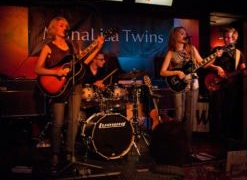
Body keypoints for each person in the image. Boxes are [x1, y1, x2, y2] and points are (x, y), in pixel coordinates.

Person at [34, 16, 105, 170]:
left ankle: (69, 152)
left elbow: (84, 62)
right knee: (58, 122)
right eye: (61, 25)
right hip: (58, 87)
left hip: (75, 85)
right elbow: (38, 69)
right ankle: (55, 154)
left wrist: (97, 47)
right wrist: (56, 73)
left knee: (73, 120)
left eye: (66, 25)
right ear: (54, 28)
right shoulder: (48, 47)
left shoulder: (72, 45)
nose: (65, 27)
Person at [160, 26, 210, 146]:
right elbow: (162, 71)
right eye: (181, 33)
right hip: (178, 86)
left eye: (185, 33)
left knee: (190, 116)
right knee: (179, 115)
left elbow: (203, 63)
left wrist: (215, 60)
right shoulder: (171, 53)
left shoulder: (192, 49)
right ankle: (175, 142)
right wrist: (177, 72)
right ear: (175, 36)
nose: (184, 35)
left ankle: (187, 144)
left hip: (193, 85)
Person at [206, 27, 247, 139]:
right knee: (215, 110)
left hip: (231, 86)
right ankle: (215, 136)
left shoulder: (239, 53)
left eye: (229, 37)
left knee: (229, 111)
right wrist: (217, 67)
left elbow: (244, 71)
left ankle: (226, 137)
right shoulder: (217, 49)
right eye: (225, 37)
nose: (227, 39)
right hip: (217, 83)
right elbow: (206, 65)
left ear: (234, 39)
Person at [118, 120, 188, 179]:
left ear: (152, 150)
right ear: (184, 151)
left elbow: (126, 174)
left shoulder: (132, 177)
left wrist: (132, 158)